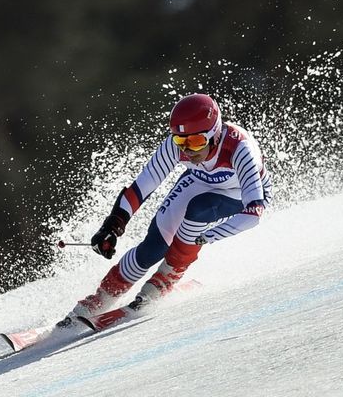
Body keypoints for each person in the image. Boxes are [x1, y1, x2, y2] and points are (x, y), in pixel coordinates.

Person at [59, 93, 272, 326]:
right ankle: (102, 296)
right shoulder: (175, 145)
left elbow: (254, 214)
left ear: (215, 134)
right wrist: (113, 225)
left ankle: (165, 278)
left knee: (199, 209)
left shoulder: (239, 149)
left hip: (238, 193)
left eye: (196, 142)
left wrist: (207, 236)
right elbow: (141, 187)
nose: (188, 151)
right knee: (153, 246)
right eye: (182, 142)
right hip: (199, 181)